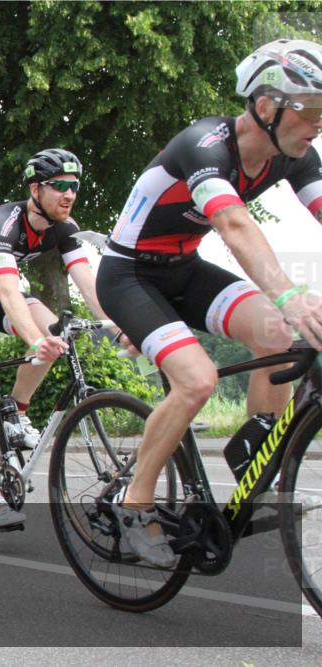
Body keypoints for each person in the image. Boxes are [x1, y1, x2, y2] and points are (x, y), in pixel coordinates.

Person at [96, 39, 322, 566]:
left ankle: (257, 450)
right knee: (197, 380)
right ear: (266, 107)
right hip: (128, 274)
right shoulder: (204, 144)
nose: (318, 123)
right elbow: (232, 223)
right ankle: (136, 502)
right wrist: (289, 294)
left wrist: (287, 310)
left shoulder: (295, 156)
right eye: (311, 108)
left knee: (280, 338)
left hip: (184, 268)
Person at [0, 148, 131, 527]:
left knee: (56, 334)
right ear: (35, 189)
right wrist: (33, 341)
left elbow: (88, 285)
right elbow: (10, 293)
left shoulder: (64, 228)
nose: (69, 195)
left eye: (74, 187)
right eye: (59, 186)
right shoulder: (4, 225)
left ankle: (17, 413)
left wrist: (117, 324)